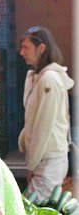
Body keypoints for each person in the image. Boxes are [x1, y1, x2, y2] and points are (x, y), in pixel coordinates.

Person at [18, 26, 74, 201]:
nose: (21, 52)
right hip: (42, 158)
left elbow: (44, 125)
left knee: (31, 209)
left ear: (41, 48)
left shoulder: (49, 79)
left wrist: (31, 165)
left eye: (26, 47)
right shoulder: (37, 77)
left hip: (49, 160)